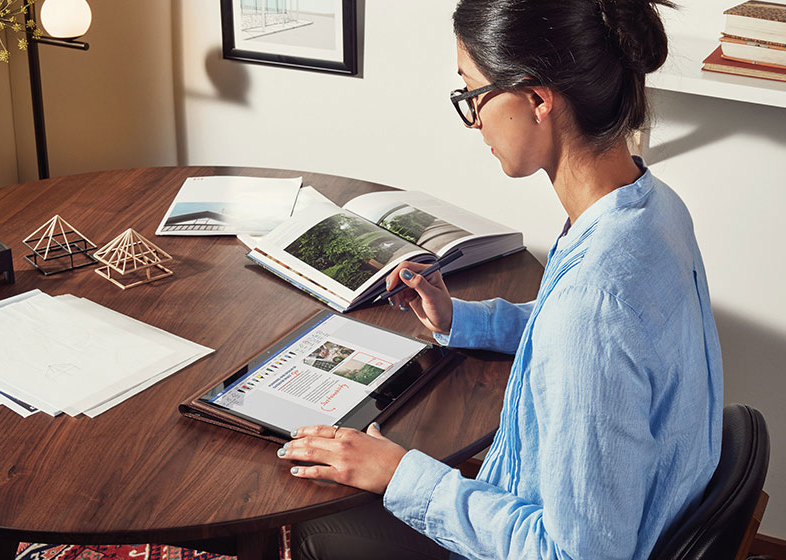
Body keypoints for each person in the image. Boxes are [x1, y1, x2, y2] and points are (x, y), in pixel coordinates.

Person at [276, 0, 723, 558]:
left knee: (320, 527)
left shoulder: (591, 309)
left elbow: (574, 554)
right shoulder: (650, 207)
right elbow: (601, 335)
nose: (474, 120)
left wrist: (400, 475)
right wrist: (461, 318)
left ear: (537, 99)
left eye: (474, 94)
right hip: (658, 504)